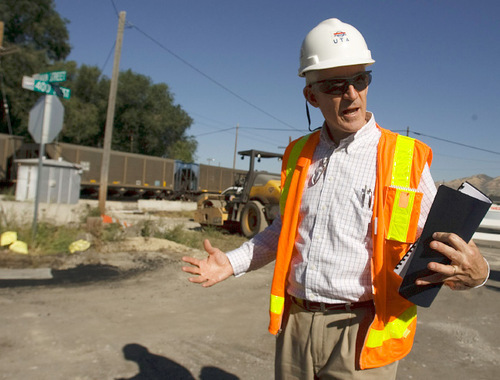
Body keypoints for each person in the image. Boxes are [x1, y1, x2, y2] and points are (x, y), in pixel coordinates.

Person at [182, 18, 490, 379]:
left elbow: (439, 244)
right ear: (311, 95)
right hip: (295, 325)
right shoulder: (298, 154)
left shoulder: (404, 159)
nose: (352, 94)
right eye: (335, 85)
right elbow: (285, 231)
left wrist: (478, 272)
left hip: (361, 331)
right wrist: (231, 263)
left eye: (360, 79)